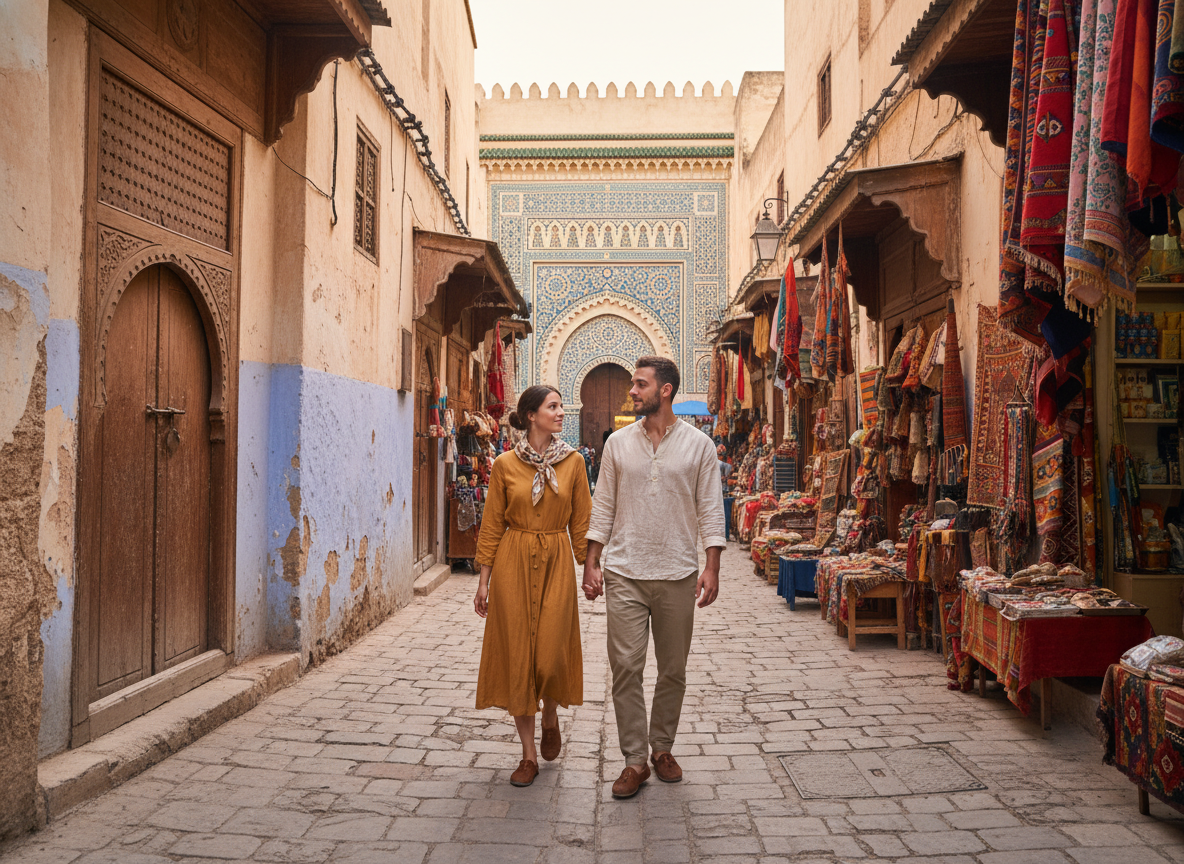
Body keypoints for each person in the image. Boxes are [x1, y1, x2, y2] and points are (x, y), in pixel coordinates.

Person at [582, 357, 726, 799]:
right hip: (624, 571)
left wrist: (712, 565)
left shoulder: (700, 446)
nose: (632, 391)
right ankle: (634, 760)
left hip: (678, 571)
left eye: (640, 384)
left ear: (665, 390)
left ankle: (662, 747)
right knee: (625, 668)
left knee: (673, 669)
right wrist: (591, 560)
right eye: (632, 384)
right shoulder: (618, 444)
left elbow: (710, 508)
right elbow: (603, 504)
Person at [473, 385, 591, 788]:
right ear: (530, 416)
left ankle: (551, 713)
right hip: (514, 563)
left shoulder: (574, 463)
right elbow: (493, 523)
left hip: (557, 561)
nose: (561, 412)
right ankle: (527, 756)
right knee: (519, 658)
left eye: (560, 406)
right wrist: (484, 581)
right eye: (553, 406)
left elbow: (582, 521)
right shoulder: (504, 464)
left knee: (551, 657)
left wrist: (590, 568)